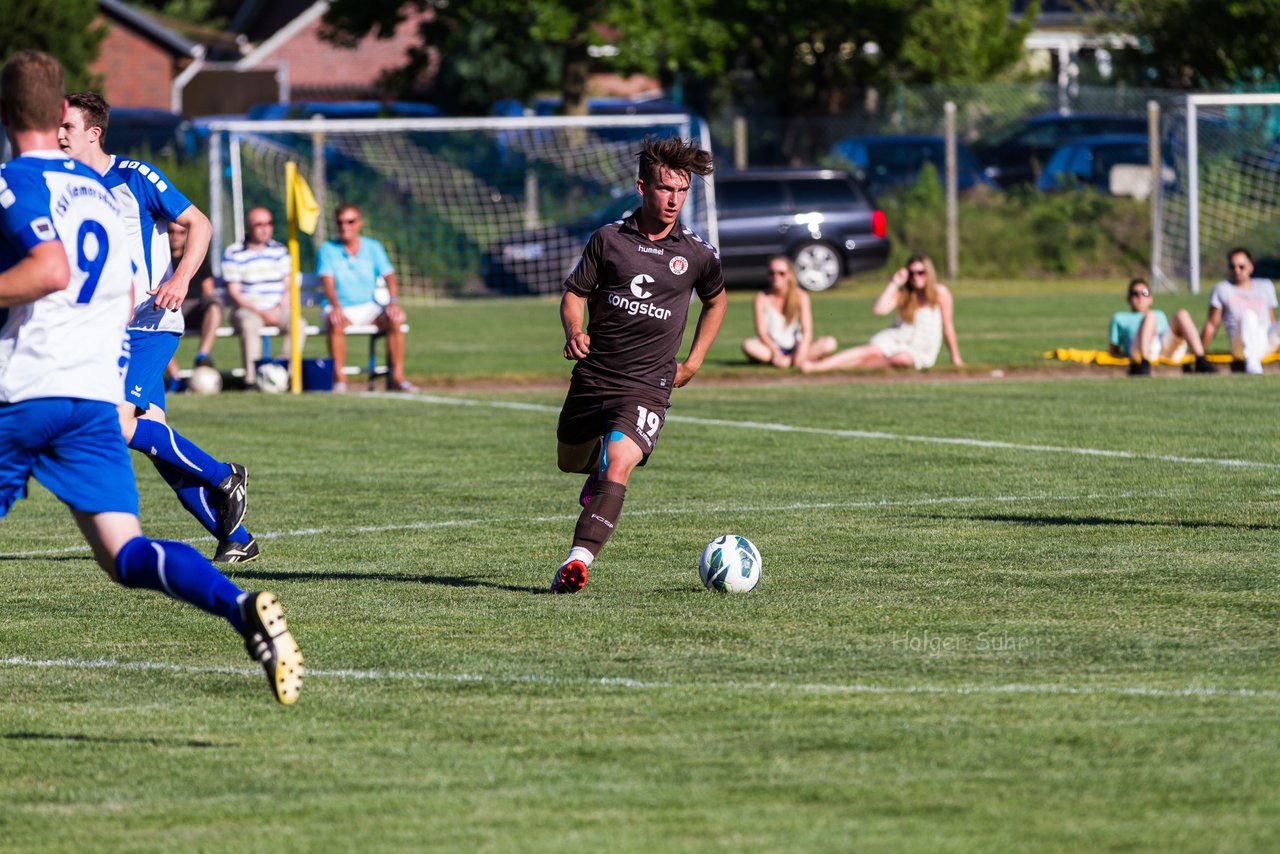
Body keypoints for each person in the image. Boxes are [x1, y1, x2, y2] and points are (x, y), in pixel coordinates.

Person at [0, 50, 301, 705]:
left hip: (24, 393)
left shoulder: (14, 183)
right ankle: (241, 603)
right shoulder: (98, 198)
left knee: (142, 438)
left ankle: (224, 480)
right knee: (124, 554)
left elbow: (49, 270)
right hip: (88, 393)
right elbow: (113, 288)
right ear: (58, 117)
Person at [58, 91, 260, 564]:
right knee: (154, 436)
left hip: (149, 323)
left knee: (116, 423)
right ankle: (237, 537)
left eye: (68, 126)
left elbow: (201, 225)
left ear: (94, 133)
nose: (59, 134)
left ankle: (224, 475)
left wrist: (180, 278)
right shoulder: (61, 186)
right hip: (104, 332)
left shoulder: (135, 177)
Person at [552, 136, 727, 594]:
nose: (674, 200)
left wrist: (695, 360)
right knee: (571, 461)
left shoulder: (697, 252)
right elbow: (574, 294)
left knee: (619, 464)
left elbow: (717, 302)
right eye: (666, 189)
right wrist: (575, 331)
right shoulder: (608, 240)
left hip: (648, 384)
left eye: (682, 190)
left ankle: (577, 562)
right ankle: (596, 476)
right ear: (642, 188)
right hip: (594, 374)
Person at [800, 254, 963, 373]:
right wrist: (895, 282)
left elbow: (947, 326)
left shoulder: (940, 293)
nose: (916, 277)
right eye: (912, 273)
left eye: (921, 273)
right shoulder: (904, 294)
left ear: (929, 273)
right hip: (897, 337)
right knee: (868, 351)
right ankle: (818, 367)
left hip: (921, 348)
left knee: (900, 359)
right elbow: (879, 309)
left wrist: (956, 358)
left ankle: (828, 364)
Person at [316, 203, 416, 392]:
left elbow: (390, 276)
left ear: (359, 223)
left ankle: (397, 378)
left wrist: (393, 303)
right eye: (340, 222)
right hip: (339, 306)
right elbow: (327, 283)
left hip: (368, 306)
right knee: (335, 321)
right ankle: (340, 380)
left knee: (396, 319)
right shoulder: (327, 250)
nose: (345, 226)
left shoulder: (373, 247)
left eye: (350, 221)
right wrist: (335, 306)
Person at [223, 207, 307, 387]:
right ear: (249, 227)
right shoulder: (234, 252)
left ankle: (282, 372)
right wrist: (261, 312)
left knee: (299, 324)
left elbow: (288, 286)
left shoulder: (280, 250)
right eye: (259, 224)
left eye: (269, 223)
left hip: (278, 308)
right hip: (248, 310)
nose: (265, 228)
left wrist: (278, 309)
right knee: (248, 324)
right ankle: (253, 380)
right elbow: (234, 292)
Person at [741, 255, 837, 368]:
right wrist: (775, 352)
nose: (776, 277)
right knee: (748, 345)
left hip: (796, 346)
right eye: (772, 273)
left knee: (830, 343)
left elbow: (807, 330)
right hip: (770, 348)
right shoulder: (762, 297)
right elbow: (761, 332)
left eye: (781, 273)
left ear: (790, 274)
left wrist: (801, 351)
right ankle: (798, 360)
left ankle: (789, 361)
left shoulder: (801, 296)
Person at [1109, 277, 1216, 375]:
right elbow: (1113, 349)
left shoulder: (1159, 314)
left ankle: (1201, 359)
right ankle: (1144, 363)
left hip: (1161, 346)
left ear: (1151, 298)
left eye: (1144, 293)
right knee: (1150, 316)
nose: (1140, 297)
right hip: (1138, 349)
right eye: (1135, 293)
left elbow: (1164, 336)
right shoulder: (1119, 318)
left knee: (1182, 314)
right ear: (1129, 298)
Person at [1200, 247, 1280, 375]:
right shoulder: (1222, 289)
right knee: (1249, 316)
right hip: (1240, 344)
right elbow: (1212, 324)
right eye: (1232, 267)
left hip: (1265, 341)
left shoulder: (1266, 285)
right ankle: (1252, 365)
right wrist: (1198, 353)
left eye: (1241, 266)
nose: (1237, 270)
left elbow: (1272, 320)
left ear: (1250, 267)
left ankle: (1254, 360)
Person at [163, 219, 223, 389]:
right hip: (169, 307)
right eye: (171, 231)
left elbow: (208, 290)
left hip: (195, 308)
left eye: (181, 232)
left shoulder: (196, 257)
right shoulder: (160, 257)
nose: (176, 236)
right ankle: (175, 377)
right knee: (154, 319)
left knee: (214, 306)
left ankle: (202, 356)